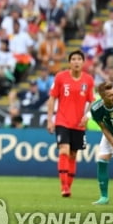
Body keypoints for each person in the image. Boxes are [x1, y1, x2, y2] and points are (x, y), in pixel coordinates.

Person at [46, 50, 95, 198]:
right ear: (70, 62)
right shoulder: (61, 77)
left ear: (83, 62)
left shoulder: (88, 80)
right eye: (73, 59)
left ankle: (69, 186)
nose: (76, 61)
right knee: (64, 151)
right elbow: (52, 98)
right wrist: (50, 119)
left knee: (73, 155)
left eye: (79, 59)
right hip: (62, 121)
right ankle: (64, 187)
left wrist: (87, 115)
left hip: (78, 124)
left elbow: (92, 101)